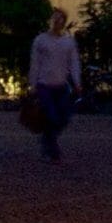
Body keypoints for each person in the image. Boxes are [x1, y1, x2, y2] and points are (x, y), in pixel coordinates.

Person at [24, 9, 83, 162]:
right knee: (51, 116)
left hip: (60, 85)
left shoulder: (68, 42)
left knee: (62, 117)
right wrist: (33, 84)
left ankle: (47, 141)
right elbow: (35, 63)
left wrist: (77, 82)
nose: (57, 23)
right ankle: (53, 150)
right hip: (44, 85)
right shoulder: (41, 40)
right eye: (55, 19)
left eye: (60, 20)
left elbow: (74, 63)